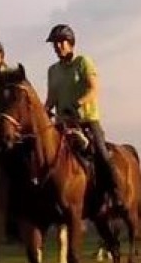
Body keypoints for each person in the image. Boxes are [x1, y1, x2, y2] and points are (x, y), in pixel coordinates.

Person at [44, 24, 125, 212]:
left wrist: (78, 104)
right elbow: (51, 97)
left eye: (61, 42)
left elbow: (94, 89)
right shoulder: (52, 70)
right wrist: (44, 110)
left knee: (102, 154)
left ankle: (117, 193)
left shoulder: (83, 62)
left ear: (71, 43)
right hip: (63, 123)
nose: (57, 46)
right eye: (55, 43)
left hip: (86, 120)